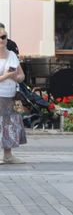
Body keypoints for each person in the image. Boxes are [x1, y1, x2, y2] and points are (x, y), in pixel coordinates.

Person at [0, 28, 27, 164]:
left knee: (9, 125)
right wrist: (6, 75)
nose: (1, 40)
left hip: (11, 95)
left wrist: (17, 76)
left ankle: (8, 155)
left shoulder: (12, 55)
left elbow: (22, 76)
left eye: (3, 37)